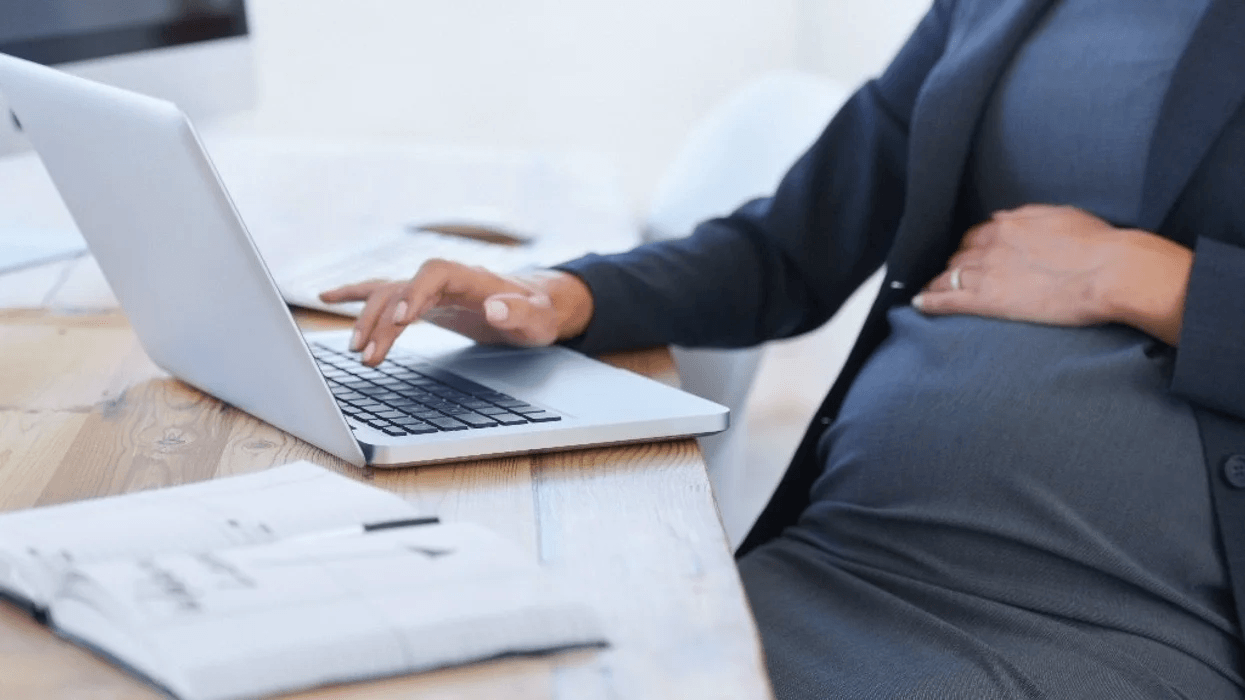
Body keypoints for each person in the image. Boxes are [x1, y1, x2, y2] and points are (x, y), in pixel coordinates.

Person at [322, 0, 1245, 696]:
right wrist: (562, 297)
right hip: (845, 552)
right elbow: (792, 248)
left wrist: (1153, 281)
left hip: (1099, 614)